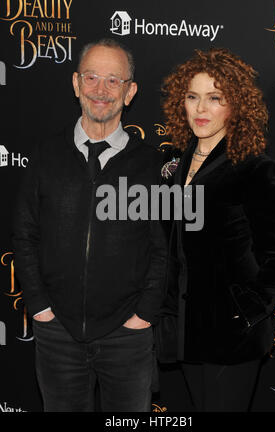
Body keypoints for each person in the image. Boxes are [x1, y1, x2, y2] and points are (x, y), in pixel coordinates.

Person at [12, 38, 167, 412]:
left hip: (127, 338)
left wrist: (143, 315)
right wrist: (40, 309)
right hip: (56, 331)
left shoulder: (154, 168)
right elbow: (24, 234)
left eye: (114, 81)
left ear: (129, 93)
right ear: (76, 83)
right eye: (92, 77)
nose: (101, 90)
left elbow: (163, 250)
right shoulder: (46, 156)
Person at [160, 48, 275, 412]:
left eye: (214, 98)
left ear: (235, 106)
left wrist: (248, 311)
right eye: (192, 97)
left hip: (233, 335)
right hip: (187, 332)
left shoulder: (252, 167)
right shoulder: (177, 164)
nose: (201, 109)